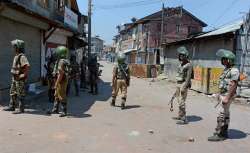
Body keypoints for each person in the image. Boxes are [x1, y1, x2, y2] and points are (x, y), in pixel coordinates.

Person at [208, 49, 239, 141]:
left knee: (221, 114)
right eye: (223, 59)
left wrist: (227, 97)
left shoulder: (234, 70)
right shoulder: (226, 69)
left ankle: (220, 134)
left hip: (227, 95)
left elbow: (233, 84)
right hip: (223, 93)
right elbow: (223, 82)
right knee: (225, 113)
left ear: (230, 60)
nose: (223, 60)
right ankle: (223, 132)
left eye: (225, 59)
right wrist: (218, 93)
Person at [4, 39, 30, 114]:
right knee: (12, 92)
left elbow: (27, 66)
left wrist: (24, 75)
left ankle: (21, 109)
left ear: (18, 47)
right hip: (15, 78)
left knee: (20, 93)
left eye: (14, 46)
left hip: (20, 79)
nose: (13, 48)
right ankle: (12, 106)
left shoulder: (22, 56)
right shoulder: (16, 56)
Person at [172, 46, 192, 125]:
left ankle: (183, 119)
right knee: (178, 99)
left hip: (184, 83)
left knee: (182, 101)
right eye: (180, 55)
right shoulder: (181, 64)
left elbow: (188, 77)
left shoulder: (189, 65)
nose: (181, 56)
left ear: (186, 56)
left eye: (183, 55)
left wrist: (185, 86)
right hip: (178, 83)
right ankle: (180, 115)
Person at [49, 46, 70, 117]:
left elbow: (60, 74)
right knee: (56, 94)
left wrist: (56, 83)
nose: (56, 54)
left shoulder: (61, 61)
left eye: (57, 52)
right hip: (62, 79)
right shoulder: (63, 60)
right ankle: (55, 109)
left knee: (61, 95)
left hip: (61, 80)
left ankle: (64, 111)